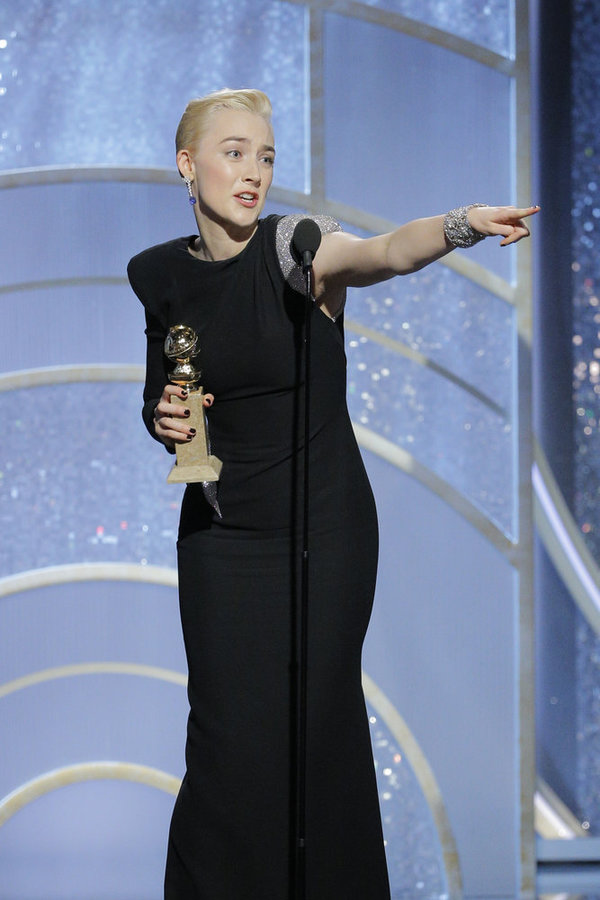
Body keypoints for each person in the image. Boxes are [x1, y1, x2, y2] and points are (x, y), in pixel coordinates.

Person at [127, 88, 538, 900]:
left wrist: (460, 225)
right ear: (188, 165)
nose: (253, 173)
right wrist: (166, 417)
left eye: (267, 156)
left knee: (317, 738)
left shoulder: (295, 247)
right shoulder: (159, 275)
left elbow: (383, 254)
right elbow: (161, 395)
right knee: (225, 746)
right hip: (220, 536)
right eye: (235, 152)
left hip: (322, 533)